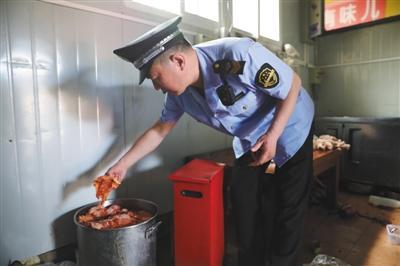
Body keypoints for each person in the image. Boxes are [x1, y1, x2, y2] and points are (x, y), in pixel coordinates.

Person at [108, 16, 314, 266]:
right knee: (245, 208)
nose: (156, 87)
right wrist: (122, 164)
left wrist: (273, 135)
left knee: (288, 208)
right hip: (250, 138)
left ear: (178, 61)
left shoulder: (238, 54)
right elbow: (160, 129)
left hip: (291, 124)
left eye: (156, 77)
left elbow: (293, 84)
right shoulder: (179, 94)